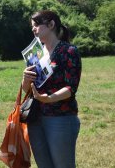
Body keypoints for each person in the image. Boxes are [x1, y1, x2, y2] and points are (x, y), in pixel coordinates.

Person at [21, 10, 82, 168]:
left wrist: (48, 99)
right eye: (32, 26)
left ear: (51, 24)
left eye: (36, 25)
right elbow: (25, 89)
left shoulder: (69, 52)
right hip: (35, 118)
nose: (33, 29)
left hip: (61, 118)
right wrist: (25, 79)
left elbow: (71, 88)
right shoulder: (36, 53)